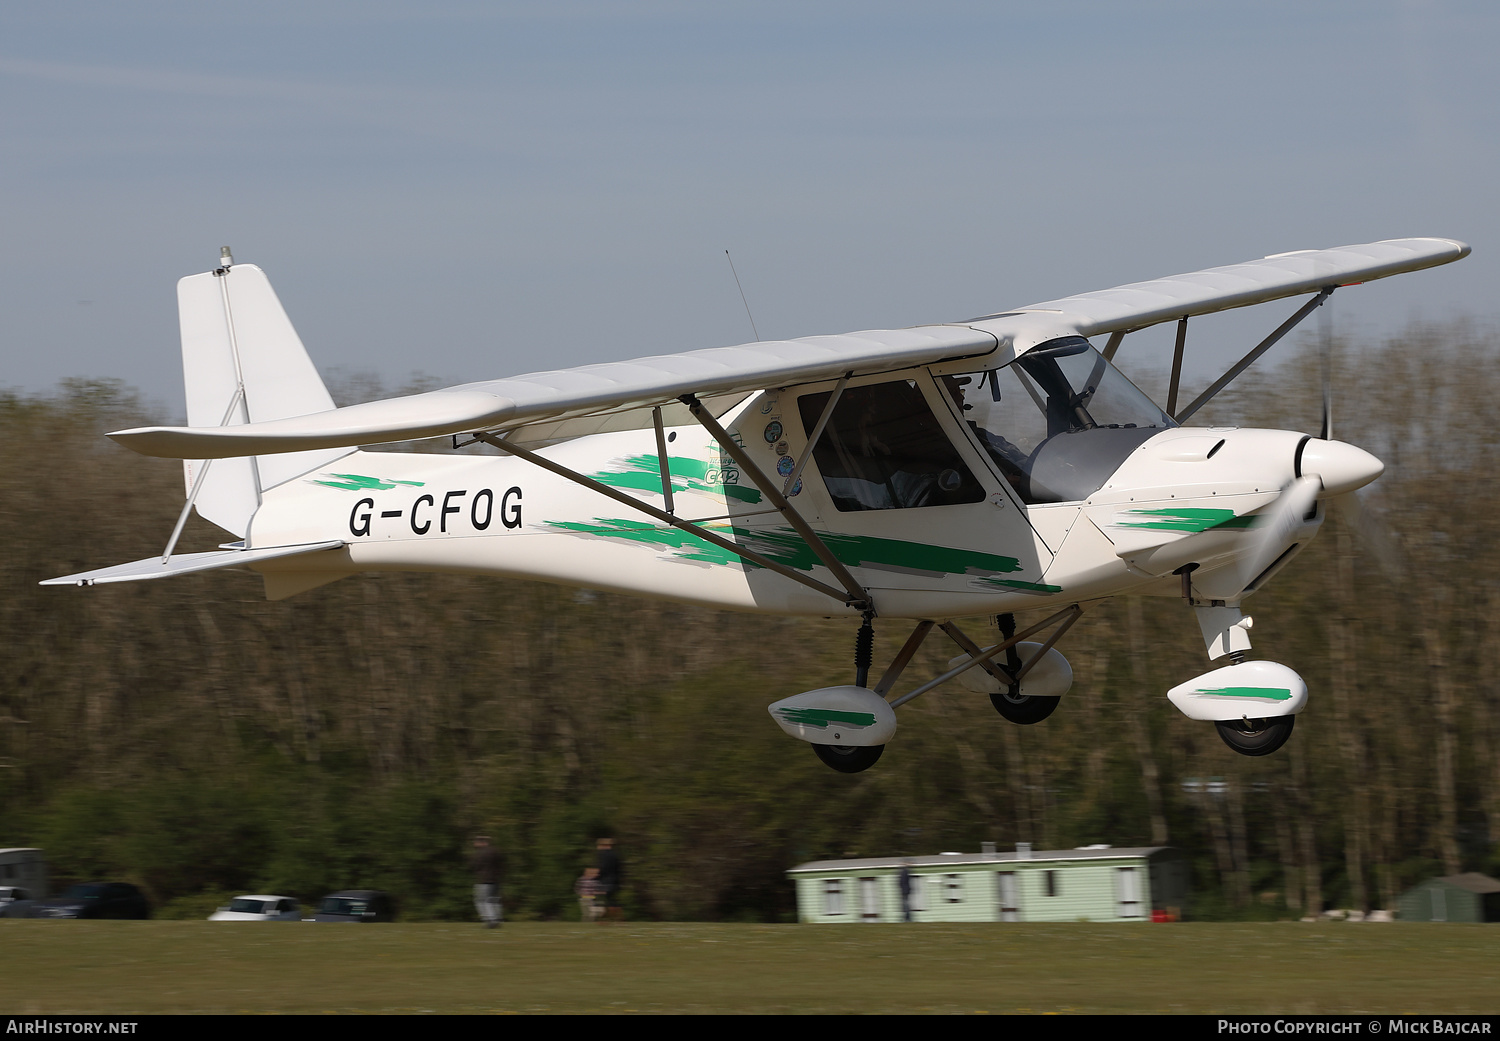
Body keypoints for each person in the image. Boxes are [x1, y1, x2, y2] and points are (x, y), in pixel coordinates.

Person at [471, 835, 503, 928]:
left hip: (483, 880)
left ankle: (490, 920)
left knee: (482, 901)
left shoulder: (479, 853)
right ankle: (497, 919)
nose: (475, 844)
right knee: (494, 900)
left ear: (482, 843)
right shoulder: (496, 851)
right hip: (496, 880)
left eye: (476, 842)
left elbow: (473, 866)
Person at [595, 837, 622, 922]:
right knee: (612, 900)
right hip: (615, 881)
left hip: (605, 881)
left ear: (603, 845)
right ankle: (618, 919)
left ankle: (606, 919)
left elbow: (603, 868)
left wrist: (597, 877)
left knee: (604, 901)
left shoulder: (603, 854)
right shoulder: (615, 854)